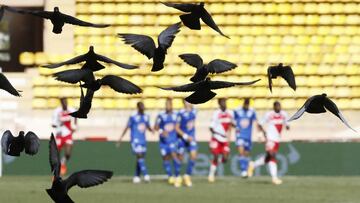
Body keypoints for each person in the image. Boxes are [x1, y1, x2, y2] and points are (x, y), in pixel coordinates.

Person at [248, 101, 290, 185]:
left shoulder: (284, 114)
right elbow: (259, 124)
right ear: (274, 107)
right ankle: (274, 178)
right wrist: (263, 133)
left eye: (279, 106)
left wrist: (287, 126)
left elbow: (287, 123)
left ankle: (253, 164)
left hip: (277, 139)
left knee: (268, 158)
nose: (279, 107)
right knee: (272, 156)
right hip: (270, 138)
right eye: (277, 106)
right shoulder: (269, 114)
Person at [118, 101, 152, 183]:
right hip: (135, 140)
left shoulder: (146, 116)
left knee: (140, 159)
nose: (143, 108)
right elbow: (127, 127)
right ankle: (146, 175)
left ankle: (136, 176)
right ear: (138, 108)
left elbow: (148, 125)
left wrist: (152, 130)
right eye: (141, 107)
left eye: (143, 107)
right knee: (139, 156)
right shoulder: (133, 116)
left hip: (143, 140)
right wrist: (121, 138)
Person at [154, 98, 182, 187]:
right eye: (166, 105)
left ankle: (177, 176)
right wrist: (162, 131)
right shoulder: (161, 115)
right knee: (165, 158)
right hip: (163, 141)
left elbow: (178, 126)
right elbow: (156, 127)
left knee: (174, 155)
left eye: (169, 105)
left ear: (172, 106)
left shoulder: (176, 115)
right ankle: (170, 176)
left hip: (173, 140)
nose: (167, 106)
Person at [233, 98, 263, 178]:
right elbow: (232, 120)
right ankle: (243, 170)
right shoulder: (237, 111)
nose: (246, 105)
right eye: (245, 104)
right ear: (243, 103)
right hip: (240, 135)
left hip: (248, 136)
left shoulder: (251, 111)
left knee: (246, 154)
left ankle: (246, 170)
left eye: (247, 104)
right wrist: (234, 126)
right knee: (241, 152)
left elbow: (256, 122)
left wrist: (259, 133)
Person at [208, 98, 233, 183]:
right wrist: (213, 138)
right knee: (215, 156)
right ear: (219, 104)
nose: (224, 104)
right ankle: (211, 175)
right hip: (216, 138)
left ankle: (213, 164)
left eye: (225, 102)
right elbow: (211, 127)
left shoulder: (230, 113)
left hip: (225, 139)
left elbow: (231, 125)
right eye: (222, 102)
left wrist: (229, 137)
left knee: (225, 158)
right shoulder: (216, 113)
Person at [52, 97, 77, 176]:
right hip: (59, 134)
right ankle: (57, 170)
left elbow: (76, 117)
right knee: (57, 154)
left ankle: (63, 163)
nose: (65, 103)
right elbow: (53, 124)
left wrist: (75, 126)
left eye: (66, 102)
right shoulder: (57, 111)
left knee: (68, 153)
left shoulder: (71, 110)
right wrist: (58, 124)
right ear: (61, 103)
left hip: (68, 134)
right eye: (63, 102)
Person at [175, 100, 197, 187]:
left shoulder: (194, 111)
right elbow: (176, 128)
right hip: (182, 138)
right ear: (184, 103)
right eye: (187, 102)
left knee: (193, 156)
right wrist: (185, 136)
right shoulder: (180, 113)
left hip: (191, 138)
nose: (189, 103)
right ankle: (177, 177)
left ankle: (187, 176)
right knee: (180, 158)